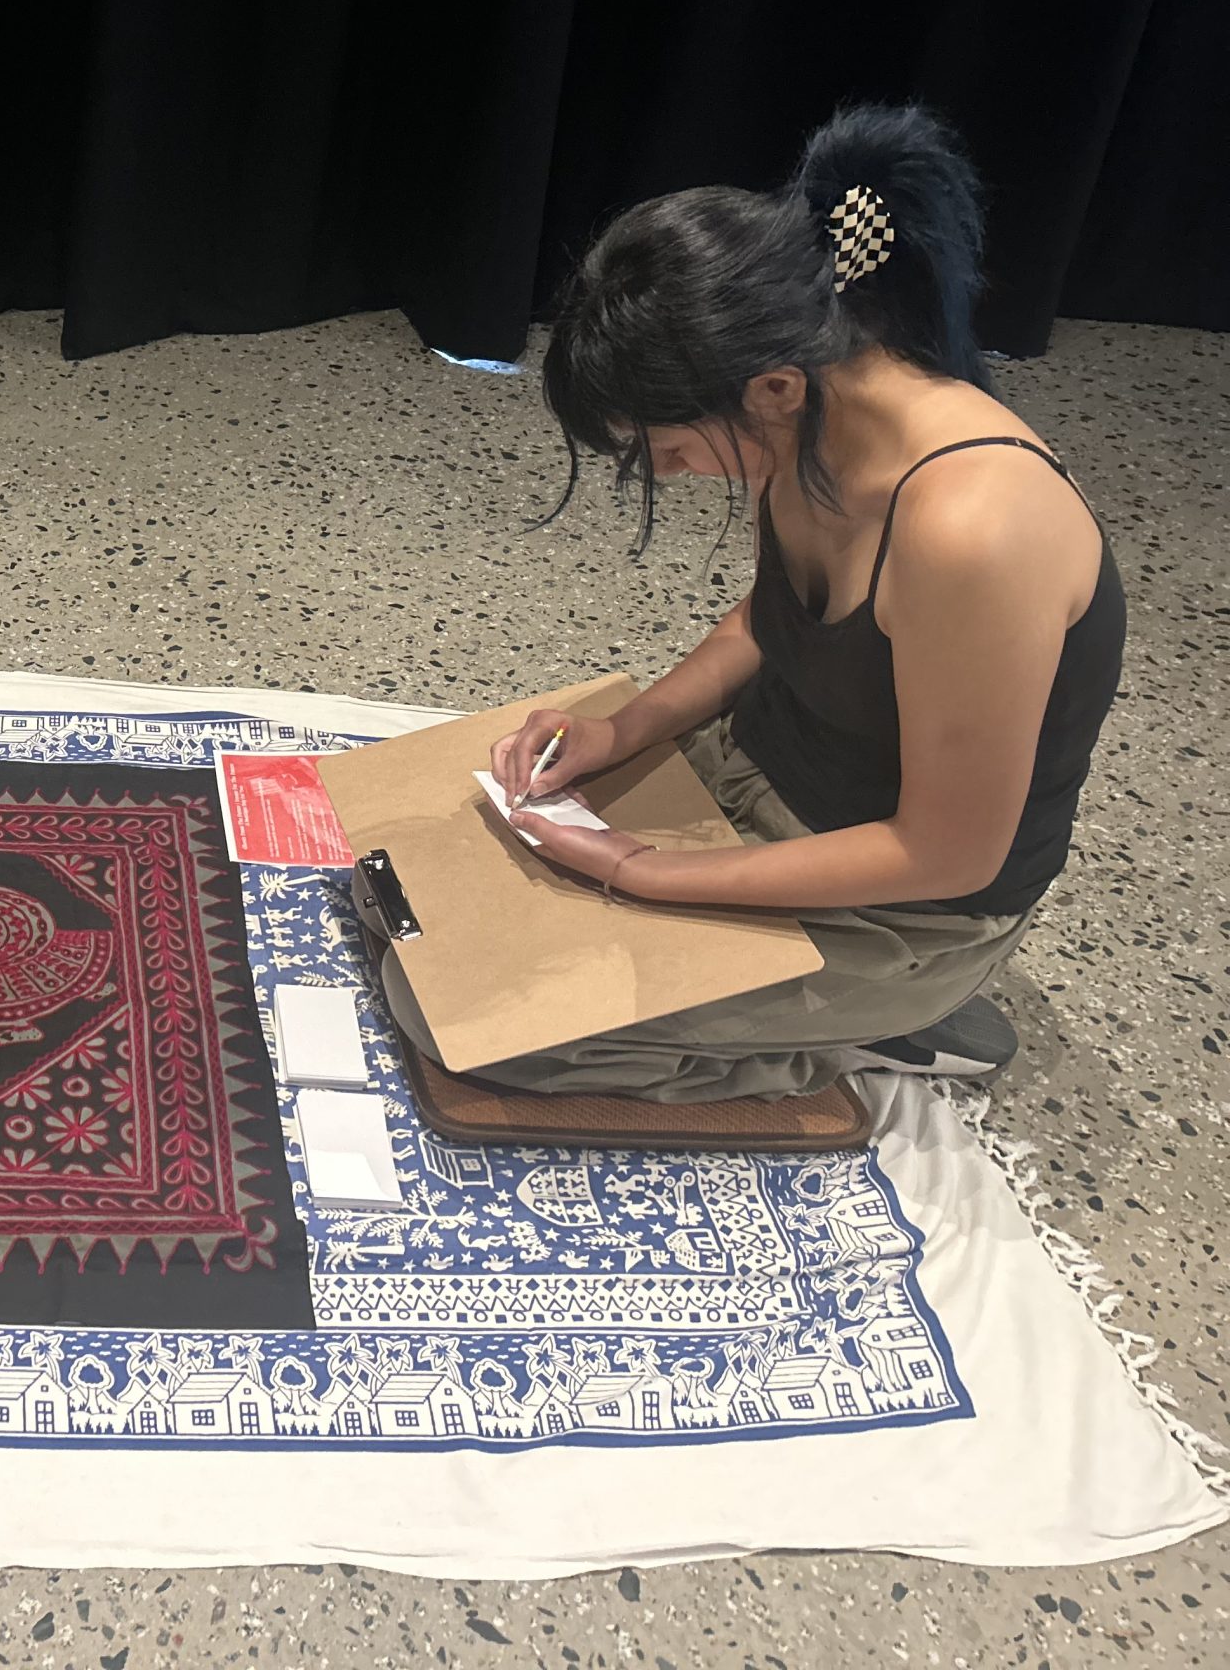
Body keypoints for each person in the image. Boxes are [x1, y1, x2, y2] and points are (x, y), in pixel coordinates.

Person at [440, 104, 1124, 1102]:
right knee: (429, 894)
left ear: (768, 390)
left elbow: (945, 850)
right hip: (759, 776)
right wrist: (619, 732)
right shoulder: (811, 410)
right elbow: (768, 623)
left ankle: (890, 1024)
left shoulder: (973, 532)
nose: (672, 475)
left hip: (904, 905)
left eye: (668, 448)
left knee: (489, 1028)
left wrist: (639, 872)